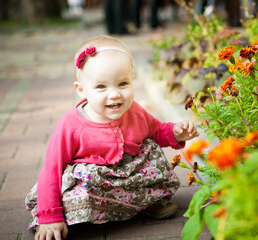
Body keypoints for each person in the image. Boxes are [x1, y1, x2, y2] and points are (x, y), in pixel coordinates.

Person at [25, 35, 199, 240]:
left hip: (134, 180)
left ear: (132, 81)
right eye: (101, 87)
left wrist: (175, 132)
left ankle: (148, 202)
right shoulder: (71, 125)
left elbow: (156, 130)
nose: (115, 94)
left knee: (151, 151)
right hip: (97, 186)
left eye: (122, 83)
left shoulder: (135, 112)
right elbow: (50, 170)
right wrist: (50, 216)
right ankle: (89, 213)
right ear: (82, 91)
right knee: (76, 191)